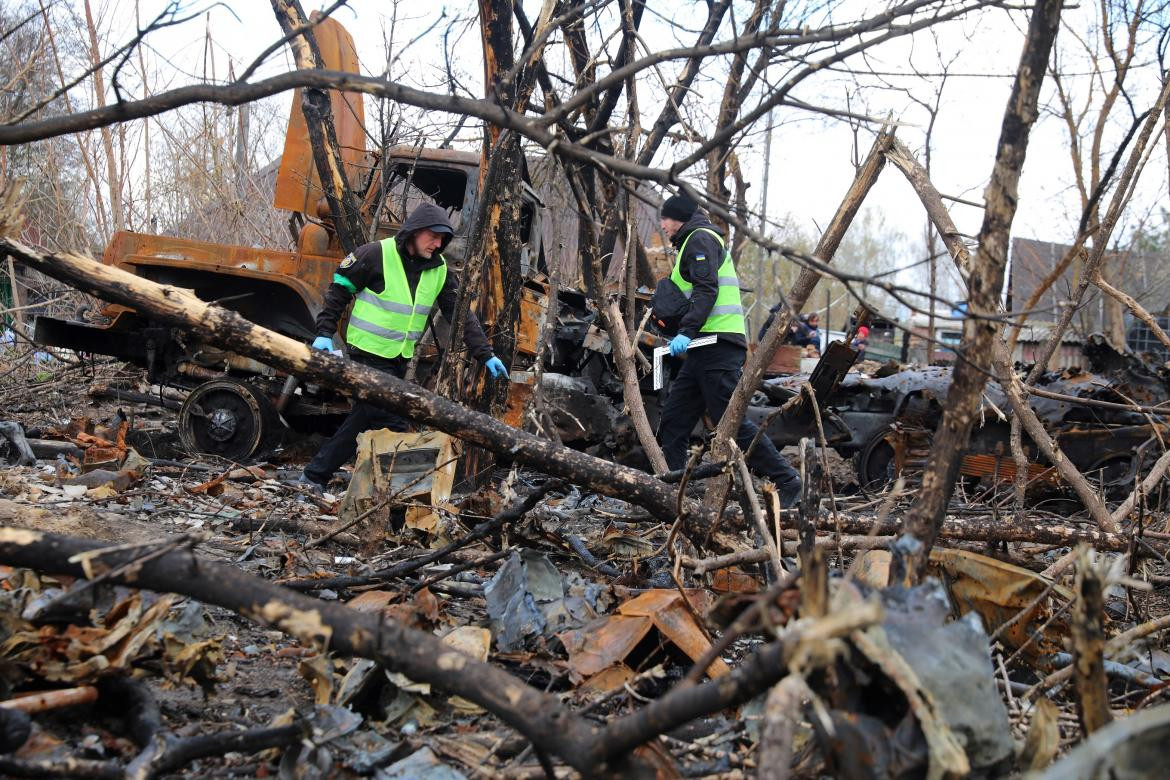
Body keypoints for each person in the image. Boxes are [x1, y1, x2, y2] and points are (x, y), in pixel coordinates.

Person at [298, 203, 509, 492]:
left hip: (398, 358)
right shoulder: (375, 254)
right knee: (389, 417)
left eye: (443, 239)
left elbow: (460, 316)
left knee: (368, 416)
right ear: (414, 231)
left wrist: (485, 353)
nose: (438, 244)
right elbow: (339, 290)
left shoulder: (439, 269)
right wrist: (323, 333)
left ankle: (332, 479)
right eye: (433, 237)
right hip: (367, 353)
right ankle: (401, 488)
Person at [654, 193, 802, 506]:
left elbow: (707, 290)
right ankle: (677, 492)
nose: (662, 226)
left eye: (664, 219)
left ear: (676, 217)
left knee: (730, 423)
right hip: (702, 348)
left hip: (717, 345)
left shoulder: (700, 240)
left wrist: (685, 331)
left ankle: (789, 482)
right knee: (674, 420)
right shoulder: (693, 242)